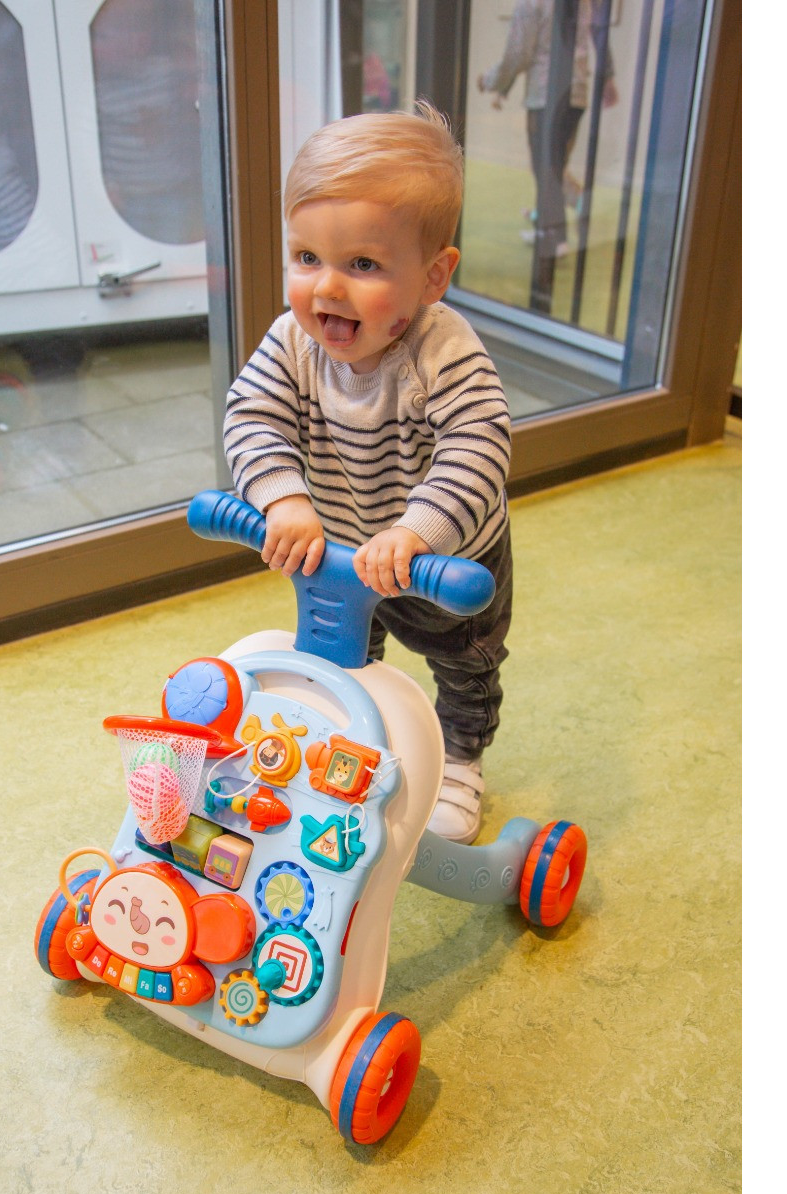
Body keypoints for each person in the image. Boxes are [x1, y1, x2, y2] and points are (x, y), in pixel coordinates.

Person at [223, 101, 513, 845]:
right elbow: (251, 415)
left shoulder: (441, 352)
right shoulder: (293, 341)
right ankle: (361, 741)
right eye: (307, 258)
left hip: (444, 559)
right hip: (346, 548)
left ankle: (460, 761)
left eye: (363, 265)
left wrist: (418, 533)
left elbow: (478, 446)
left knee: (463, 661)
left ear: (434, 276)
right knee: (350, 653)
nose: (327, 288)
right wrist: (283, 499)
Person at [477, 0, 618, 253]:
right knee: (554, 165)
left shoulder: (531, 4)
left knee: (547, 168)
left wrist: (490, 81)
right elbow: (598, 33)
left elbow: (518, 55)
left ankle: (555, 235)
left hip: (546, 98)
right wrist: (607, 77)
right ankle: (550, 222)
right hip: (577, 95)